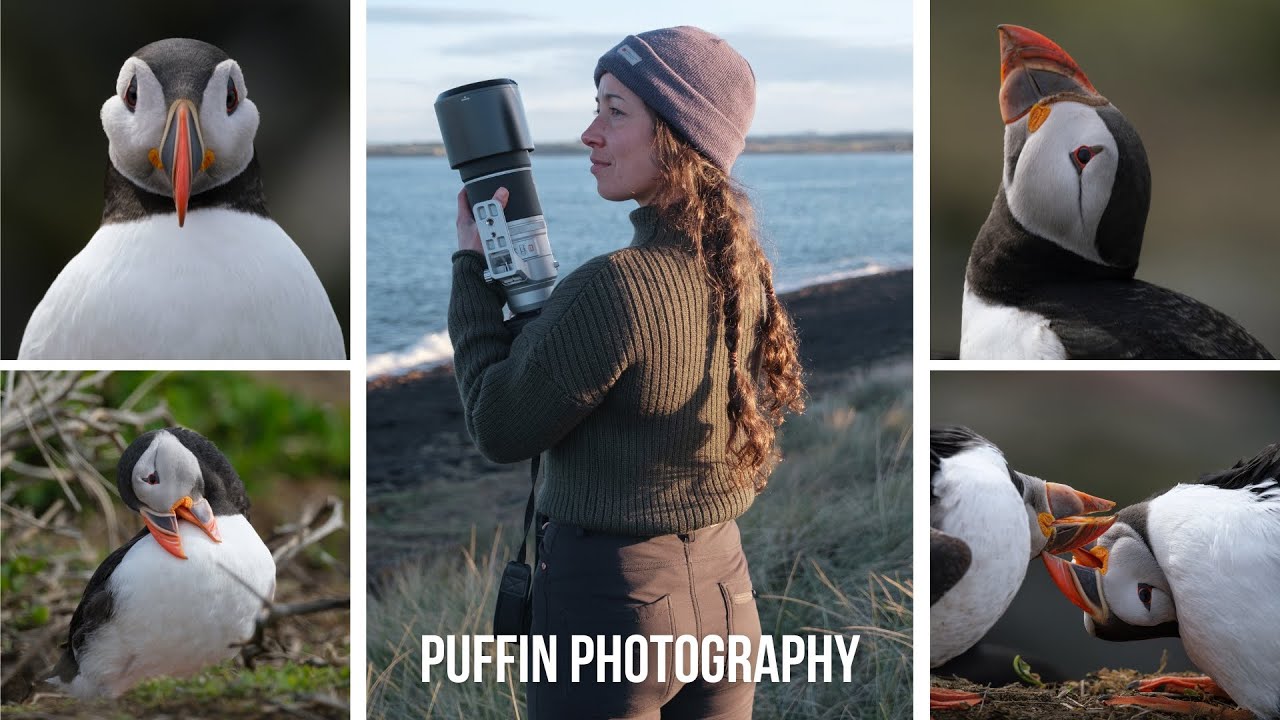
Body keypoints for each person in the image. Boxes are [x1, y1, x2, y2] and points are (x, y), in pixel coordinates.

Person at [448, 26, 804, 719]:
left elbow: (498, 427)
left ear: (676, 136)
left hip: (611, 609)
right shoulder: (743, 273)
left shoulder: (615, 286)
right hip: (727, 596)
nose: (589, 133)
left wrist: (471, 272)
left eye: (614, 111)